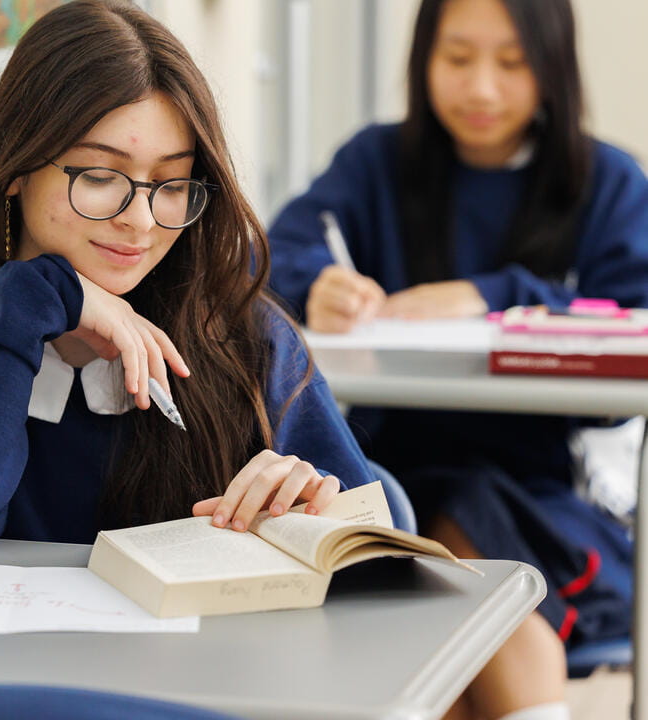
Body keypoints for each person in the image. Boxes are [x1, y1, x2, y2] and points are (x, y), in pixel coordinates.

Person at [0, 0, 382, 557]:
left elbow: (383, 540)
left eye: (172, 183)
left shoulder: (245, 338)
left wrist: (314, 506)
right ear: (14, 168)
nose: (141, 219)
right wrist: (33, 298)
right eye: (102, 176)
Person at [267, 1, 648, 719]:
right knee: (440, 549)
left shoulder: (608, 184)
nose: (480, 88)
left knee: (444, 554)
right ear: (422, 59)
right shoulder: (376, 163)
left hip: (540, 499)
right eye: (457, 57)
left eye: (511, 62)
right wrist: (318, 283)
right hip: (390, 474)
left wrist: (492, 296)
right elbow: (276, 249)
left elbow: (631, 319)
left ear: (554, 66)